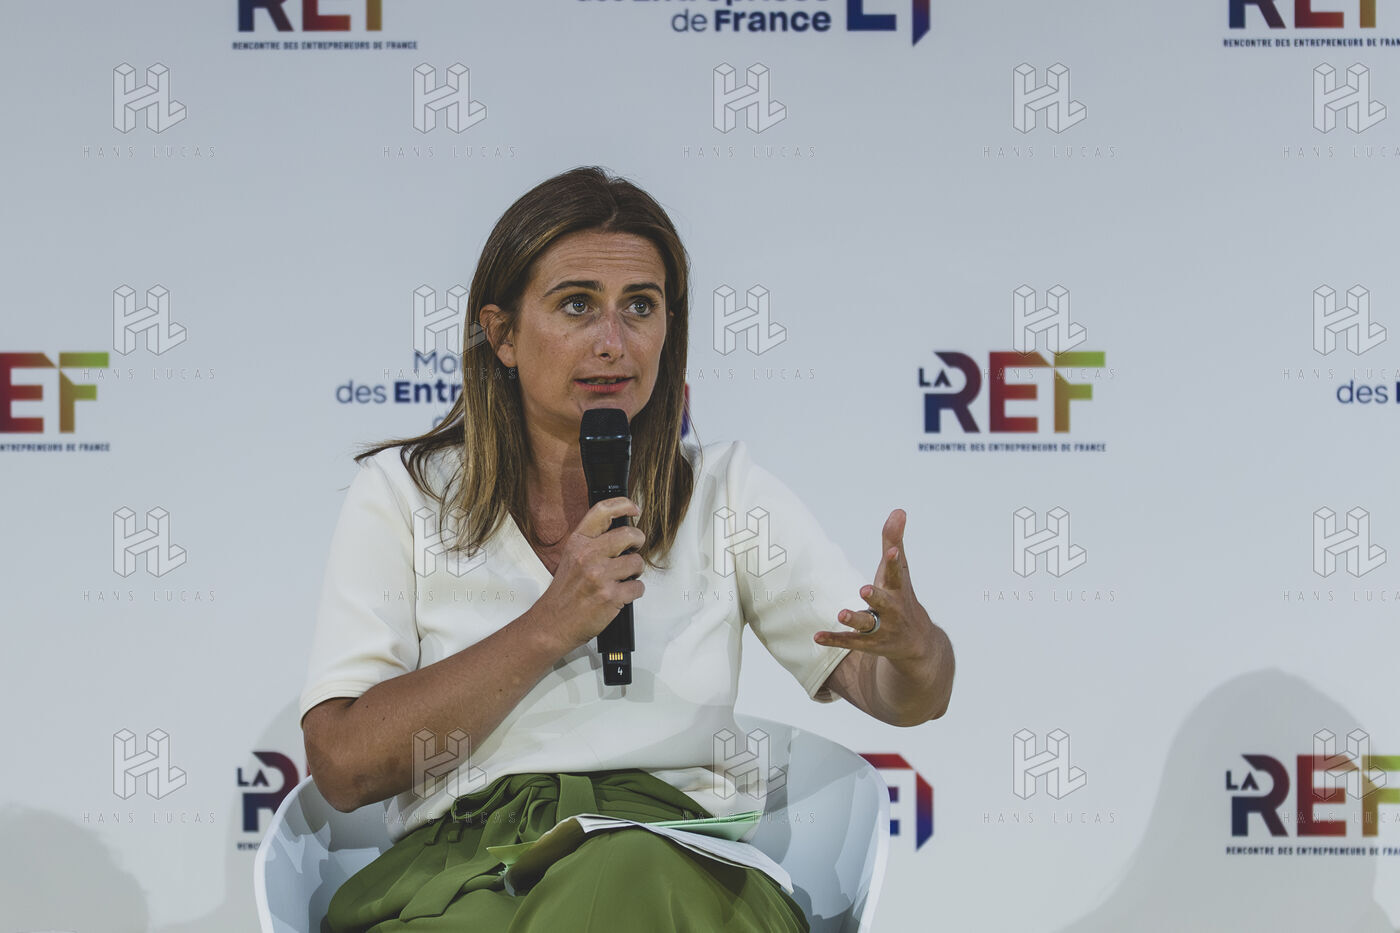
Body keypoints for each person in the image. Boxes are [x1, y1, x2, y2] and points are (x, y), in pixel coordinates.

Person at [298, 166, 955, 931]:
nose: (613, 342)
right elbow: (343, 765)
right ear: (503, 334)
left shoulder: (725, 492)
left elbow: (898, 692)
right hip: (473, 875)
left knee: (629, 866)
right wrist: (549, 626)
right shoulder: (404, 495)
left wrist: (915, 652)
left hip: (684, 868)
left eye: (640, 306)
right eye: (577, 304)